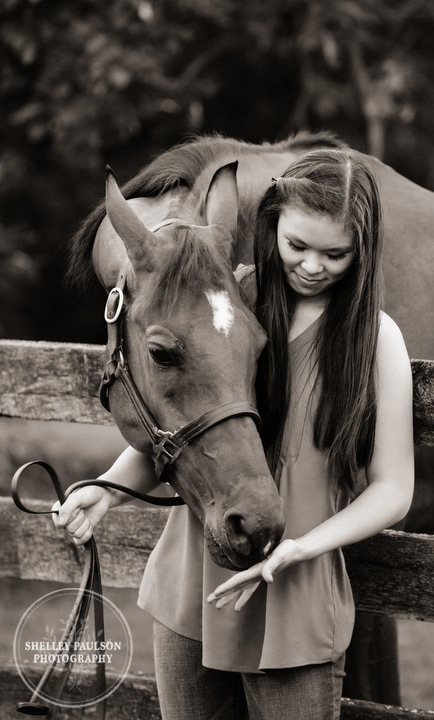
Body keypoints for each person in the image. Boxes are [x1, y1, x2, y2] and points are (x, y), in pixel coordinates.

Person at [53, 147, 414, 720]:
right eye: (297, 246)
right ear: (271, 226)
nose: (313, 266)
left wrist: (303, 547)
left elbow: (393, 490)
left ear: (363, 252)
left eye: (336, 254)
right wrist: (108, 486)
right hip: (189, 591)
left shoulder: (374, 340)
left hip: (294, 600)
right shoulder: (233, 298)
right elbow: (188, 419)